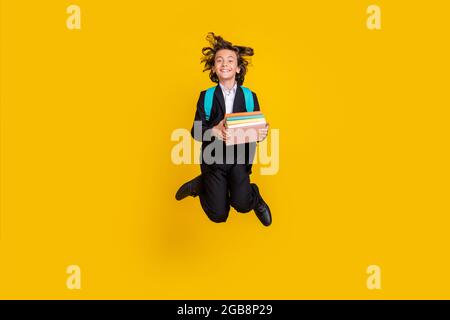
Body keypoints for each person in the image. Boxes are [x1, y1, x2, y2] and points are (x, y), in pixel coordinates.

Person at [175, 32, 272, 227]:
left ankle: (255, 198)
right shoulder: (207, 97)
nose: (225, 64)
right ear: (213, 68)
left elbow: (255, 128)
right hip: (214, 159)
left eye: (230, 60)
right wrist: (214, 130)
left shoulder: (249, 96)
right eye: (219, 60)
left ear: (238, 68)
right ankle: (202, 185)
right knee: (218, 215)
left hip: (239, 159)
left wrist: (262, 134)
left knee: (242, 204)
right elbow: (196, 131)